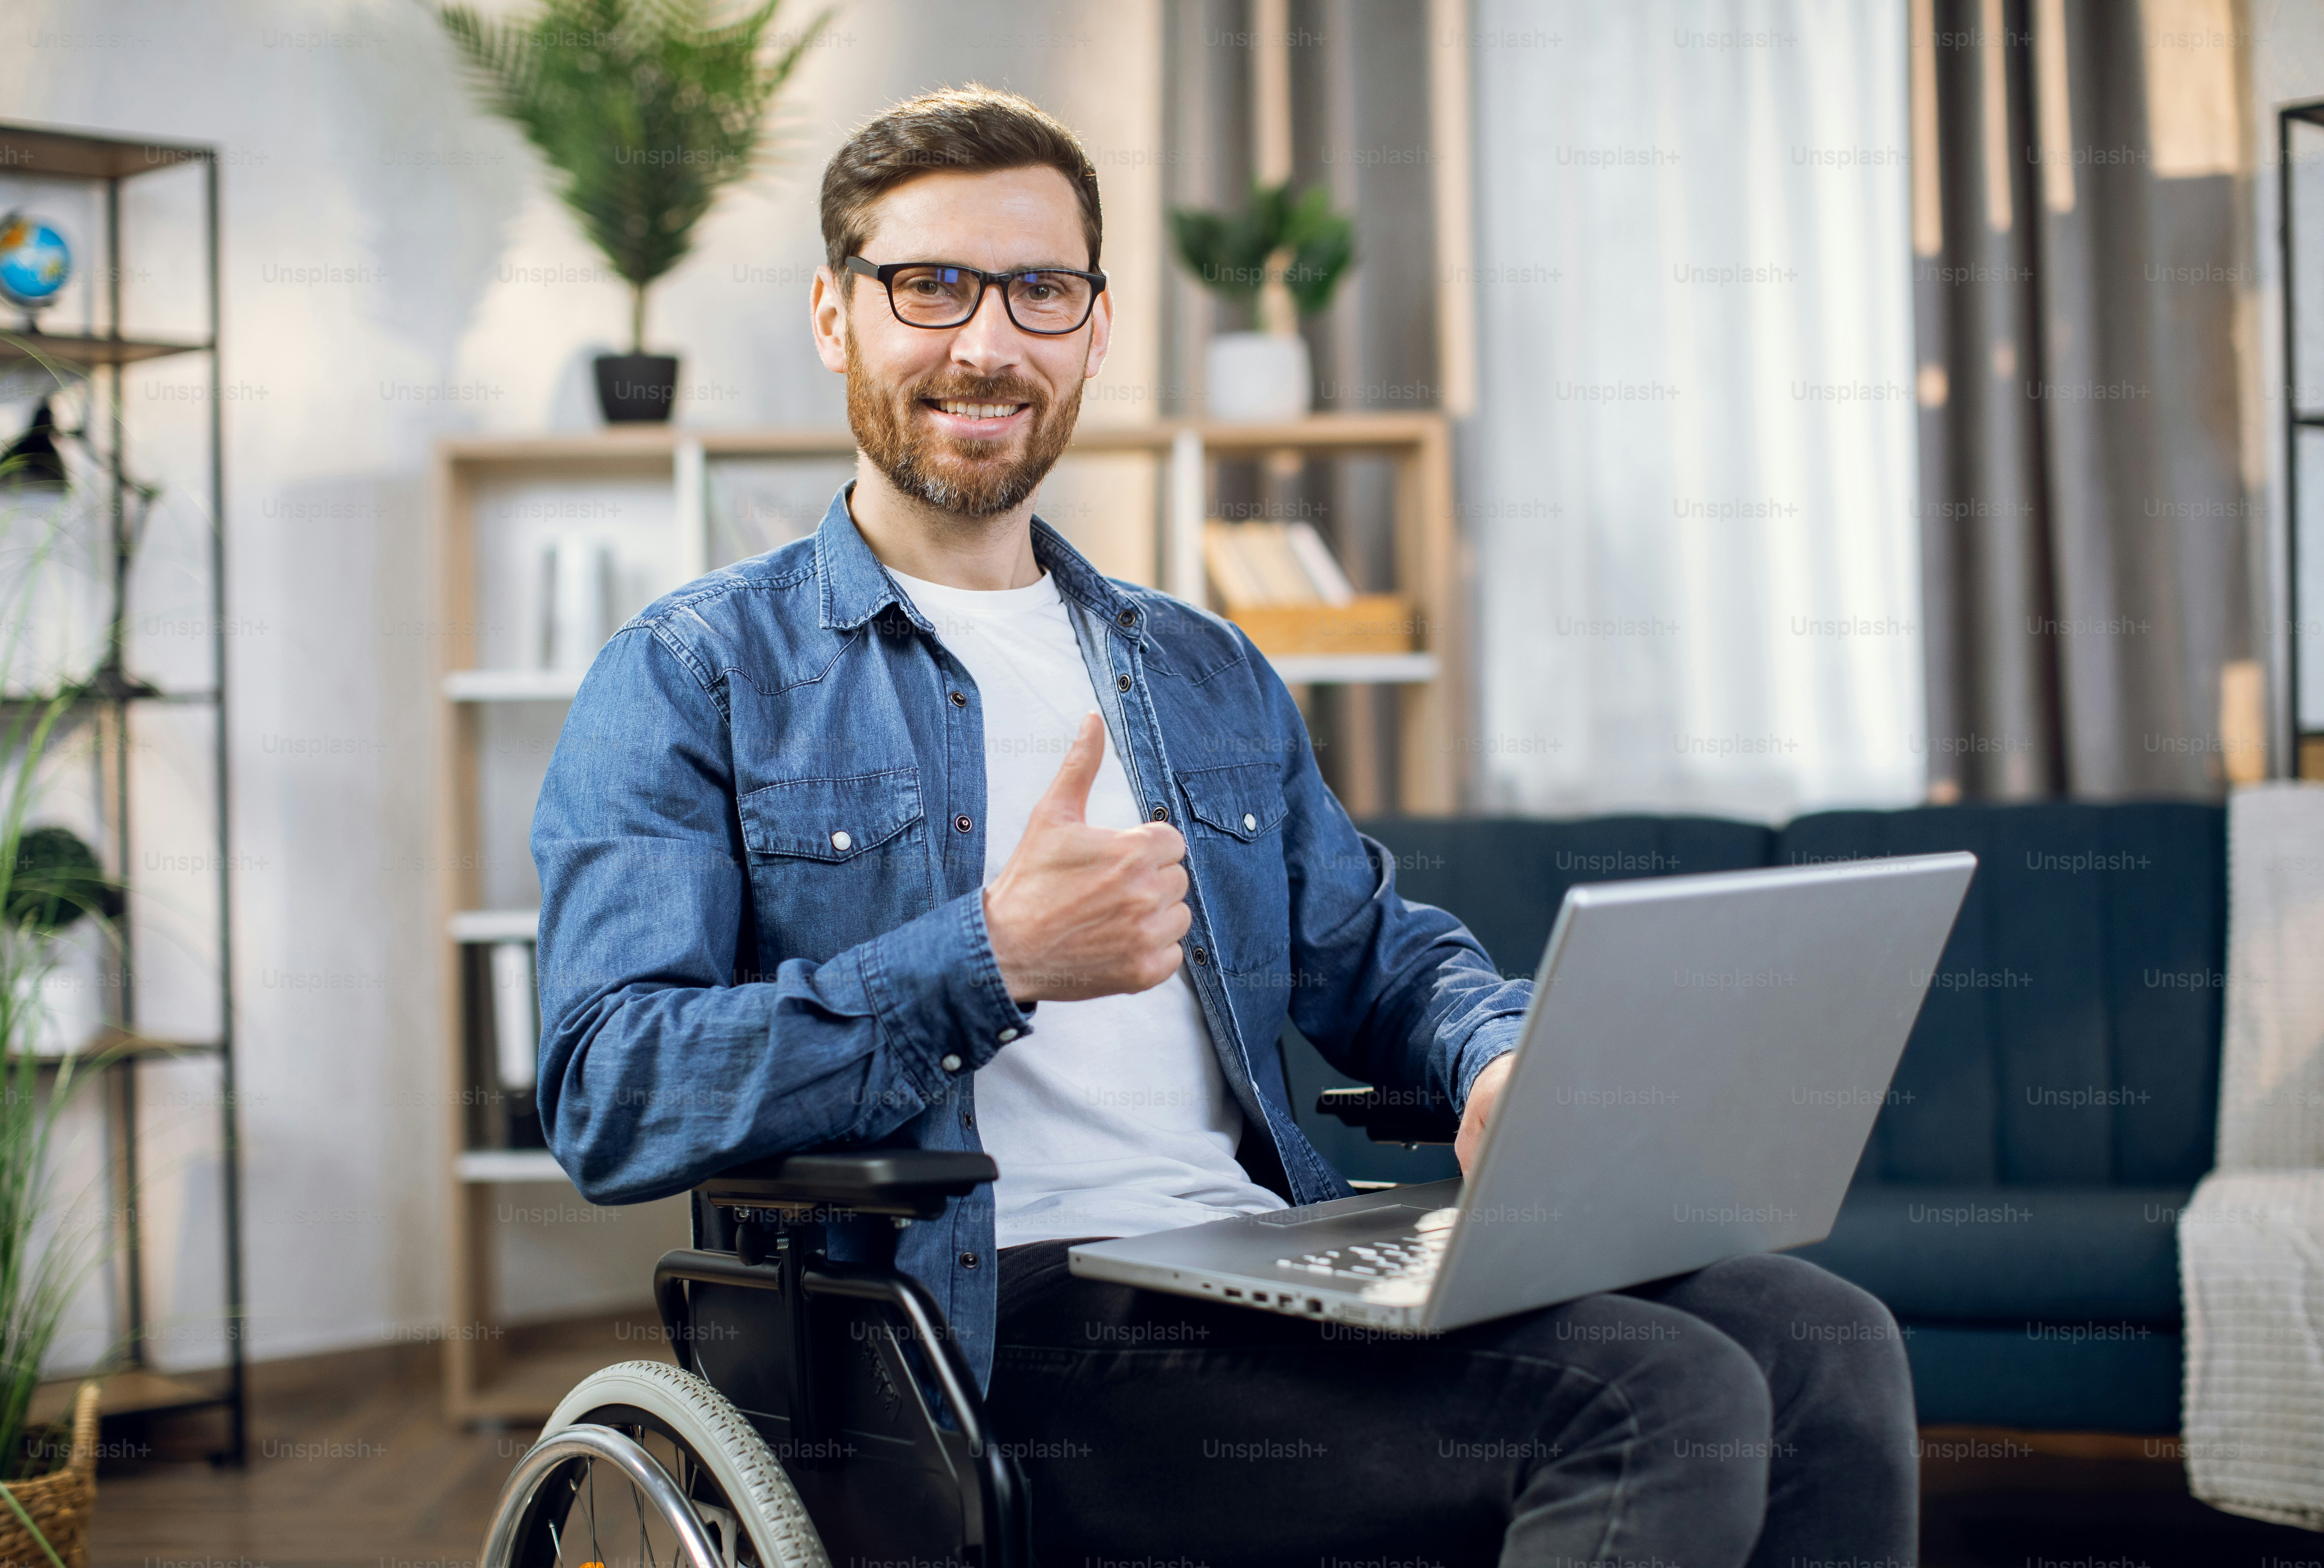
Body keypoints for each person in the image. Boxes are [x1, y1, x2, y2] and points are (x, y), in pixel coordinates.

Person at [532, 83, 1915, 1568]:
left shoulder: (1196, 667)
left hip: (1254, 1254)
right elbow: (612, 1088)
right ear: (834, 315)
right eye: (929, 286)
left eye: (1039, 290)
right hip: (982, 1323)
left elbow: (1374, 956)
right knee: (1653, 1397)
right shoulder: (695, 671)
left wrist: (1498, 1053)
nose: (987, 343)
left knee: (1822, 1334)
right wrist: (988, 956)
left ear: (1096, 328)